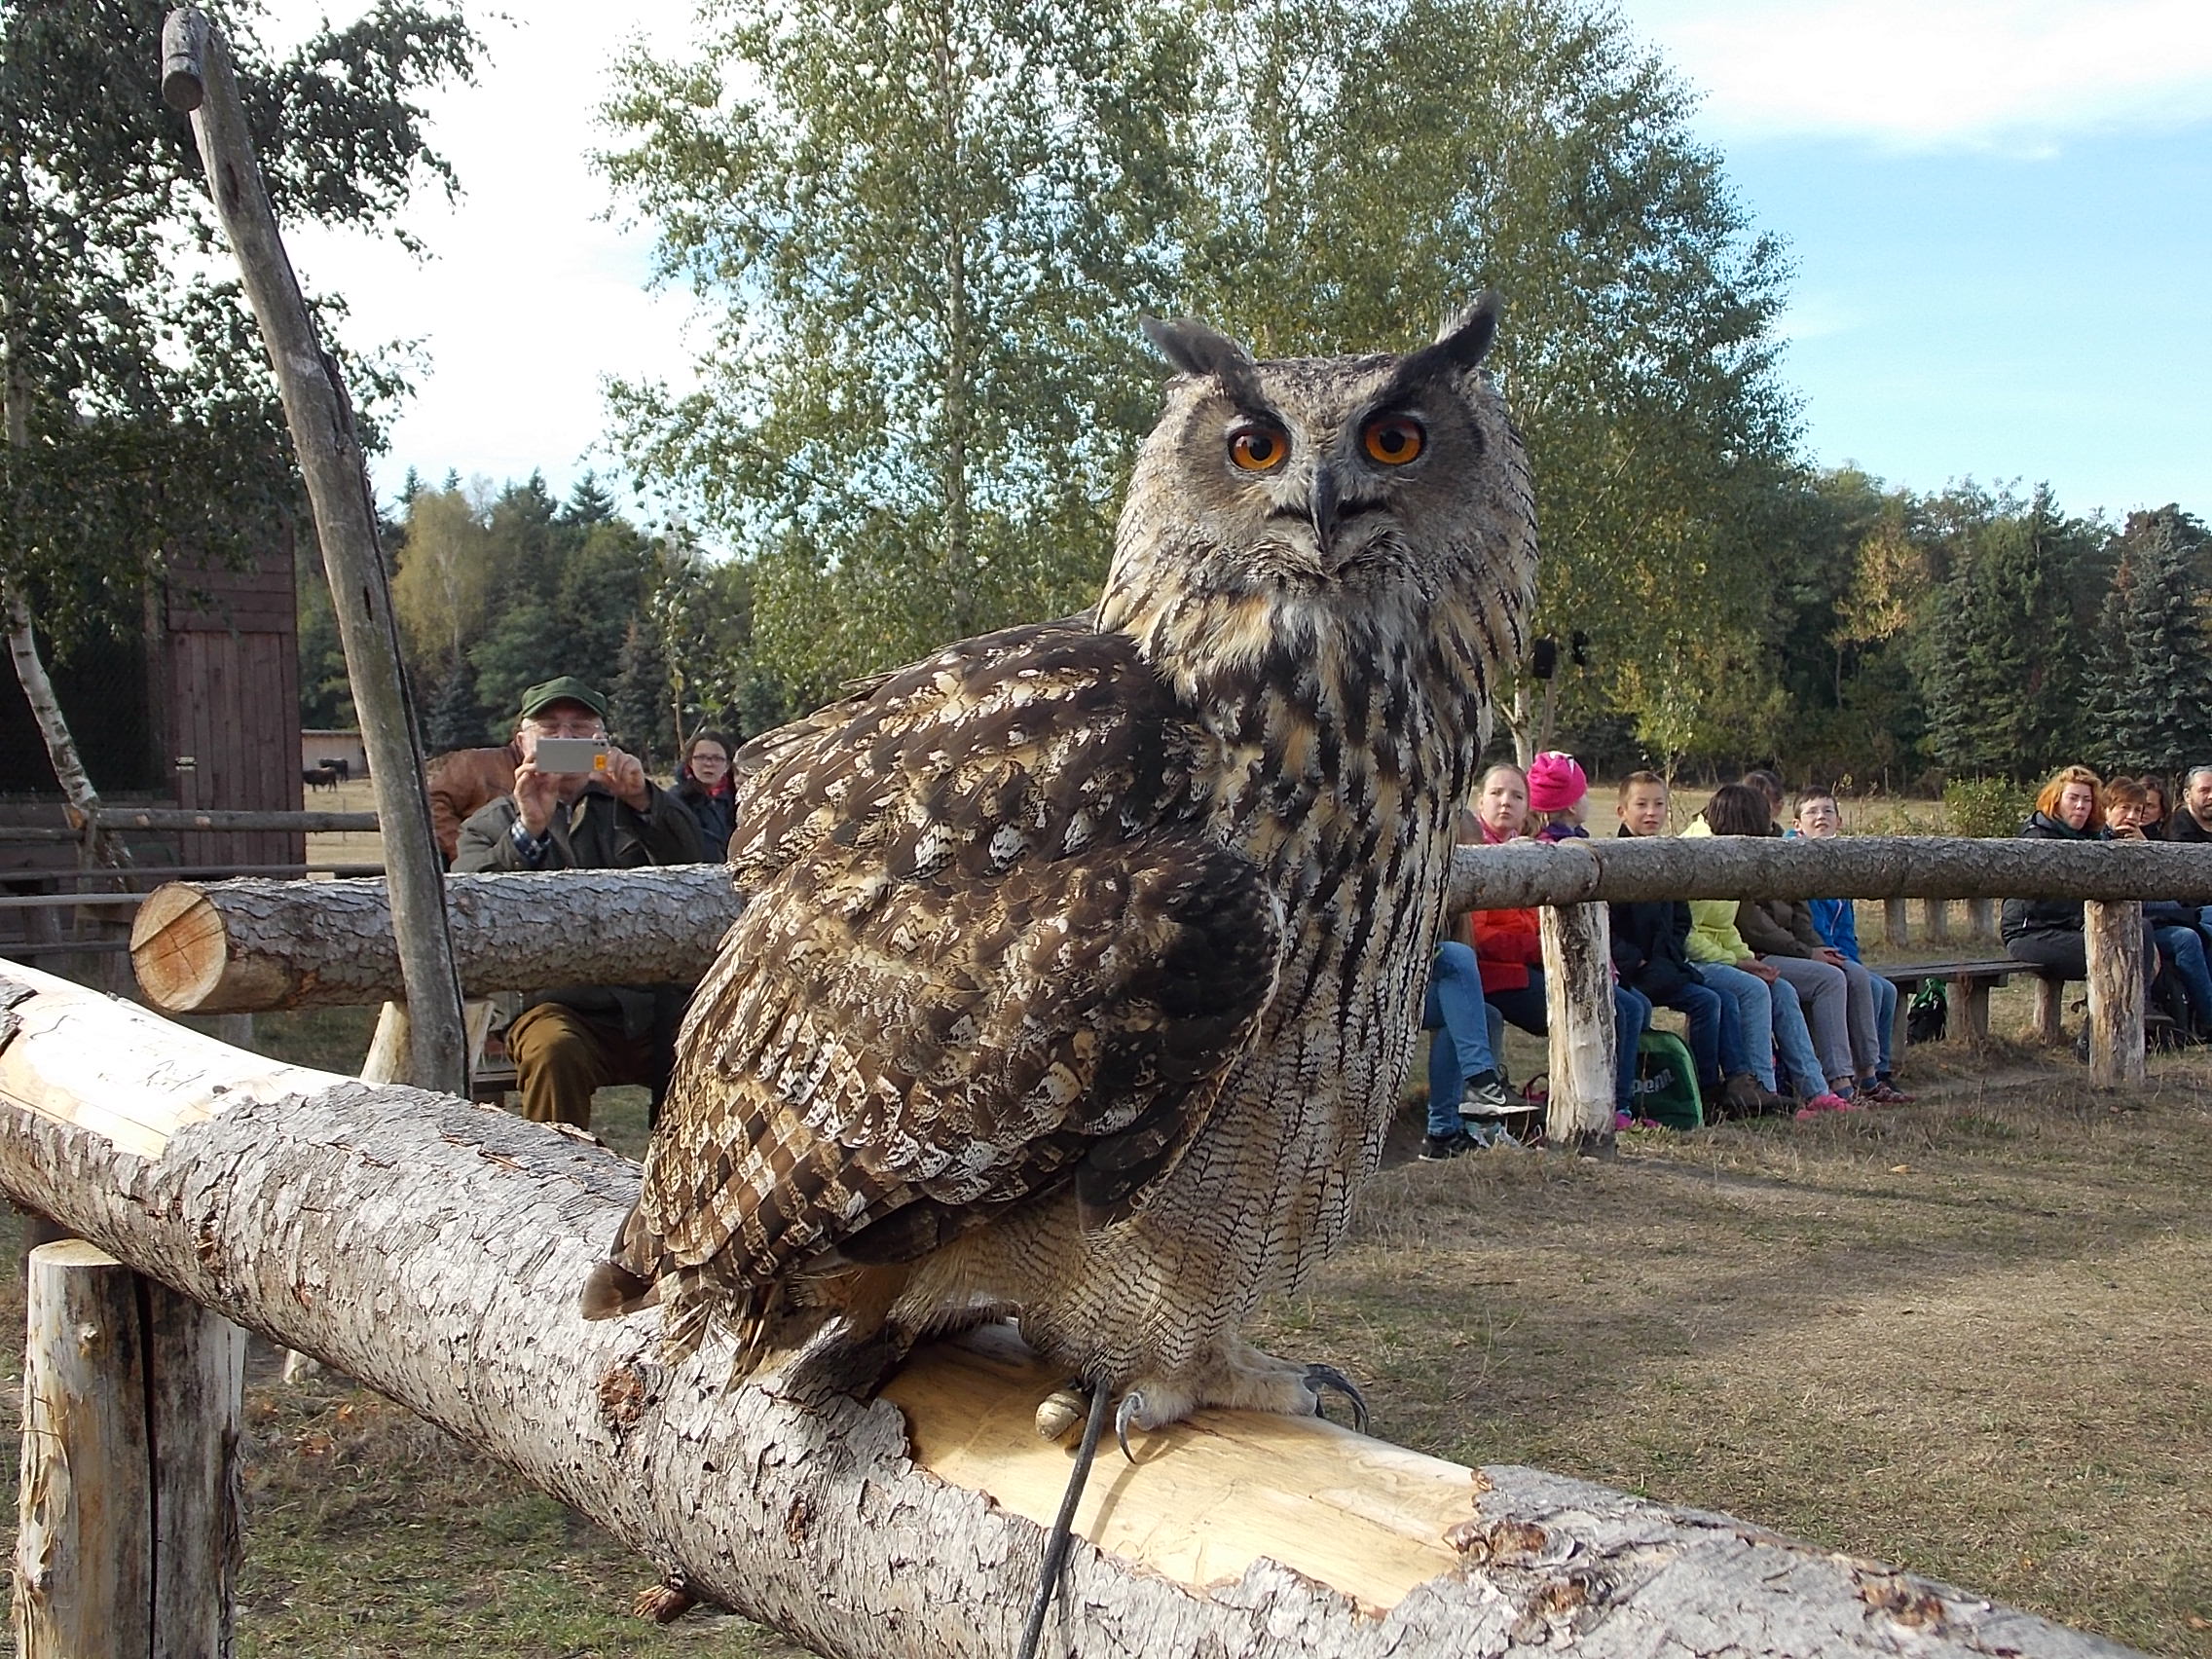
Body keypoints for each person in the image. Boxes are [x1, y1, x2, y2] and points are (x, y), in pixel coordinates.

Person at [452, 677, 705, 1129]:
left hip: (653, 1006)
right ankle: (553, 1182)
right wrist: (529, 829)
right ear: (522, 743)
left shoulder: (632, 805)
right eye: (550, 730)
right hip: (552, 1006)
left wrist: (644, 799)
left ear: (603, 742)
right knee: (554, 1052)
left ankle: (700, 1189)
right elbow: (468, 905)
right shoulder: (490, 824)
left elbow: (703, 864)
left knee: (720, 1045)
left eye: (581, 729)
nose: (566, 740)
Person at [1610, 772, 1789, 1118]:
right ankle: (1627, 1100)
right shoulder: (1615, 858)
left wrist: (1671, 956)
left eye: (1659, 804)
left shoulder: (1671, 857)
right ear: (1621, 811)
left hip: (1667, 966)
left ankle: (1711, 1090)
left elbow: (1681, 920)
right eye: (1642, 805)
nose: (1651, 813)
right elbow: (1608, 928)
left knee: (1712, 1001)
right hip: (1631, 972)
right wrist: (1639, 962)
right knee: (1652, 1004)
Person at [1684, 785, 1851, 1118]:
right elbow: (1687, 935)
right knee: (1754, 990)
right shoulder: (1696, 852)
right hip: (1690, 958)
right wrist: (1738, 963)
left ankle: (1816, 1090)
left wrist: (1745, 957)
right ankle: (1764, 1091)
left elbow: (1724, 926)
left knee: (1783, 990)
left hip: (1721, 954)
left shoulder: (1728, 854)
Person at [2001, 764, 2157, 1020]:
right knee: (2114, 953)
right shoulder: (2037, 838)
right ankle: (2096, 1031)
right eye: (2073, 798)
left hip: (2071, 929)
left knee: (2142, 929)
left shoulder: (2091, 839)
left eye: (2087, 800)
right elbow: (2040, 905)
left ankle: (2141, 1008)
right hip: (2032, 933)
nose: (2081, 806)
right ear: (2057, 800)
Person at [1791, 791, 1911, 1102]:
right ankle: (1857, 1075)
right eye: (1813, 812)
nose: (1821, 817)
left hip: (1837, 953)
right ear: (1797, 824)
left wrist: (1852, 960)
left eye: (1828, 811)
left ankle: (1878, 1070)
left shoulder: (1843, 862)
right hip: (1813, 953)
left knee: (1885, 988)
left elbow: (1846, 930)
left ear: (1839, 821)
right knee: (1866, 987)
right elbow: (1809, 927)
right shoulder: (1794, 859)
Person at [2103, 776, 2212, 1041]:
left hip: (2157, 920)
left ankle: (2196, 1017)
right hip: (2128, 926)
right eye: (2124, 808)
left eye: (2137, 811)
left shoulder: (2147, 838)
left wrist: (2146, 849)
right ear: (2106, 809)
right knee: (2188, 938)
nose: (2131, 816)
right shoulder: (2098, 841)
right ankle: (2208, 1019)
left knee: (2207, 926)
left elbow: (2170, 888)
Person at [426, 731, 523, 866]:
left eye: (564, 725)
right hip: (485, 873)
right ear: (521, 738)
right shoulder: (477, 764)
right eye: (550, 727)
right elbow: (433, 802)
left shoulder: (558, 772)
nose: (561, 736)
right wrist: (463, 851)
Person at [672, 728, 737, 862]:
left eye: (717, 758)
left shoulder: (737, 799)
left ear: (727, 765)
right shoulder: (675, 800)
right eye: (701, 757)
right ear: (690, 762)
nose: (708, 764)